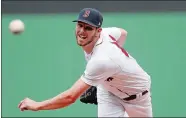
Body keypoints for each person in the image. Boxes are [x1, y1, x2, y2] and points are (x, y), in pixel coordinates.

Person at [18, 8, 153, 117]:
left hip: (137, 97)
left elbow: (70, 97)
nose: (82, 31)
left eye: (88, 28)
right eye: (80, 25)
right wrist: (109, 73)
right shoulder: (105, 34)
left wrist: (37, 105)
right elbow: (123, 33)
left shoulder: (101, 60)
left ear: (98, 31)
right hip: (108, 93)